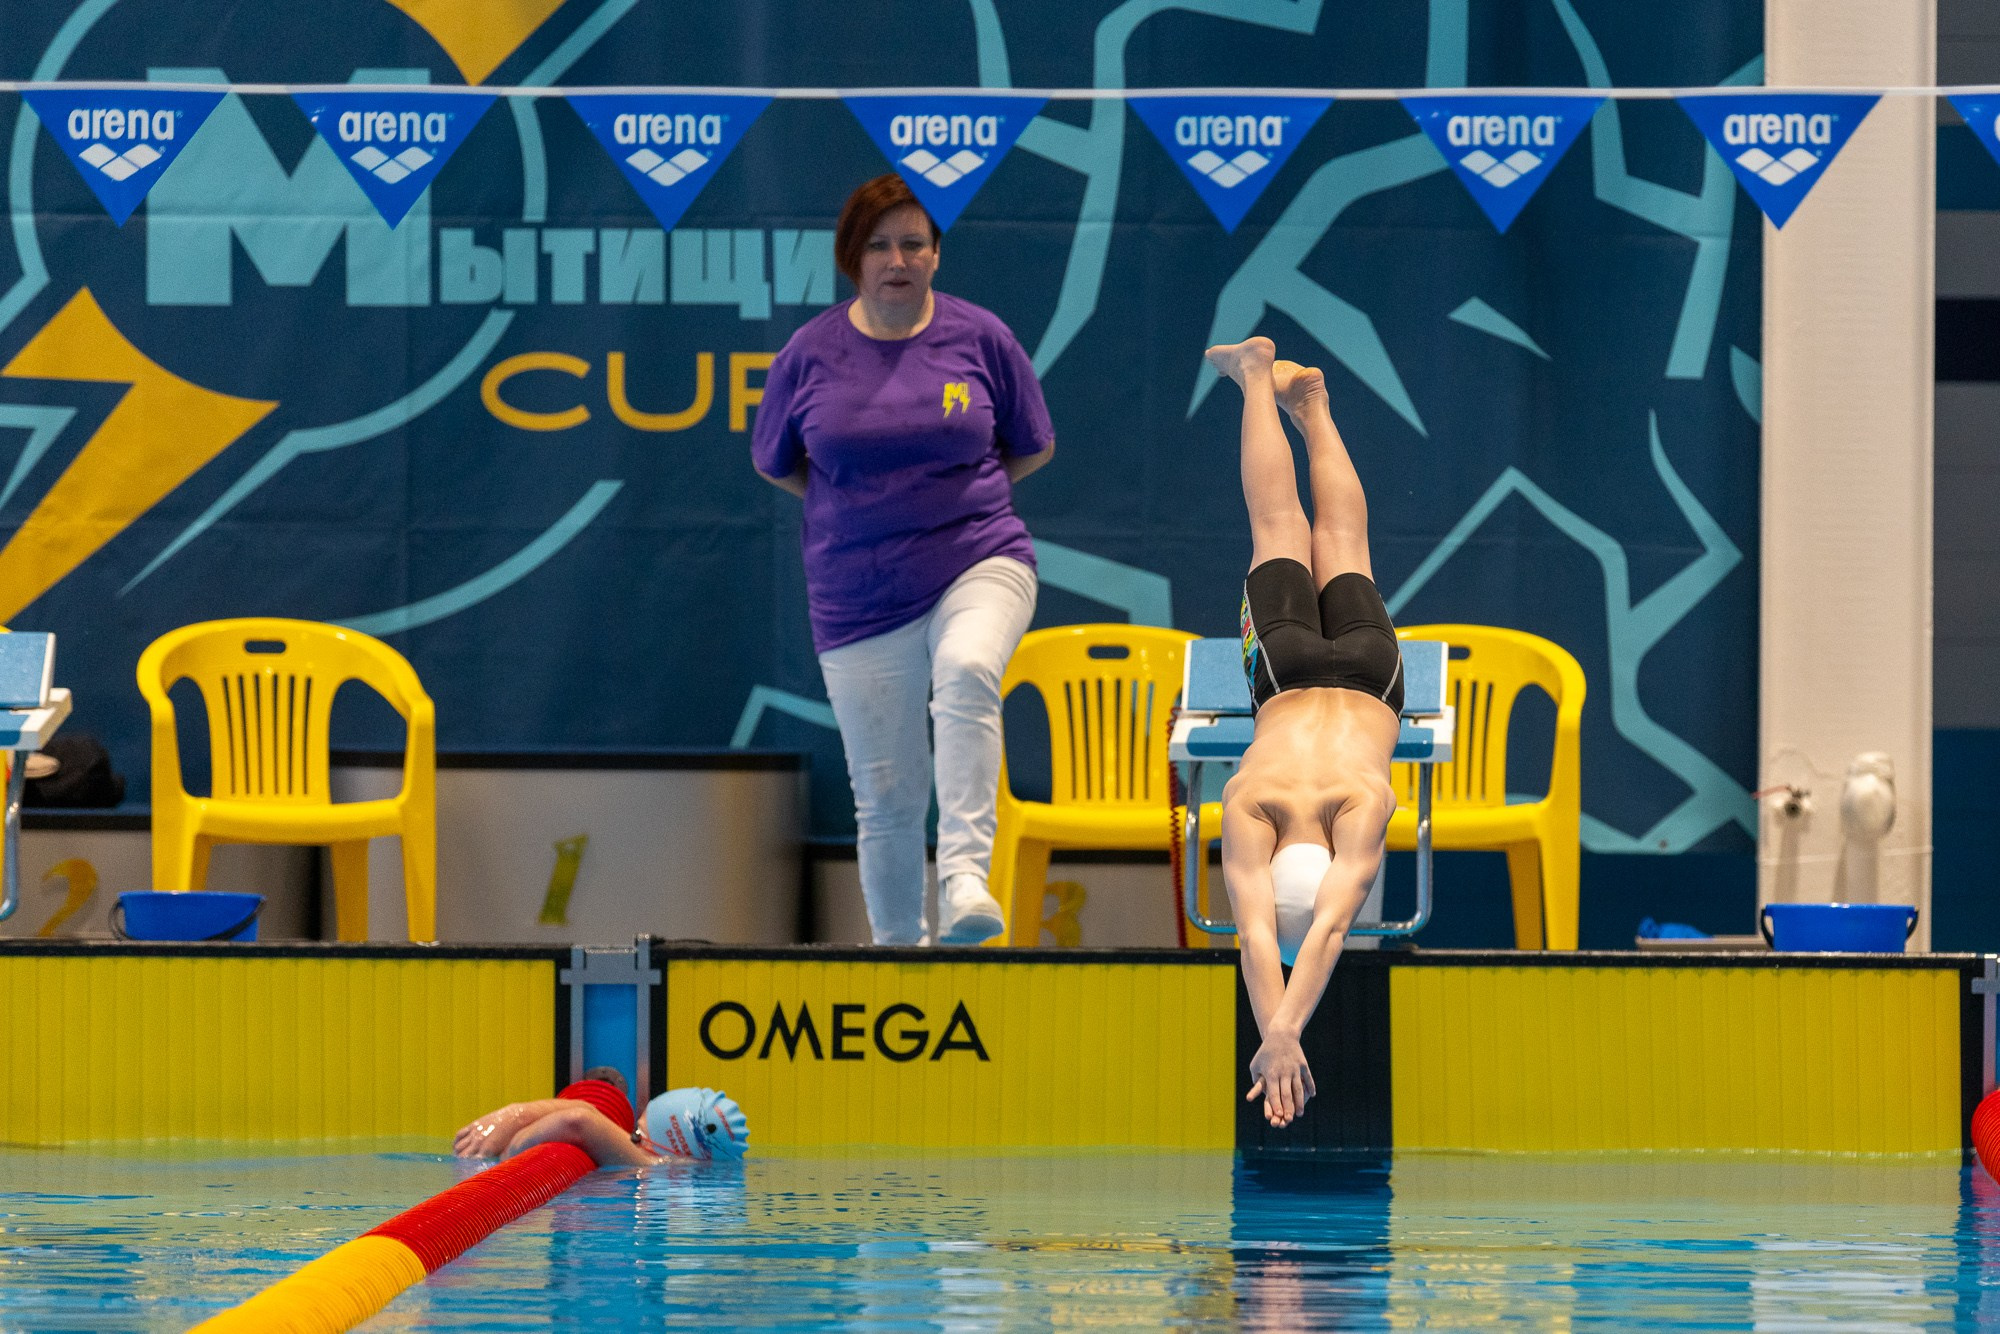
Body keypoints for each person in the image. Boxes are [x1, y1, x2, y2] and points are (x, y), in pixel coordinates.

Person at [751, 173, 1055, 947]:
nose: (897, 259)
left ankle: (963, 879)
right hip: (858, 593)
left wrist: (948, 503)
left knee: (965, 668)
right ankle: (896, 950)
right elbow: (776, 463)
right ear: (853, 258)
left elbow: (1032, 445)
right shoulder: (809, 354)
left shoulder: (982, 337)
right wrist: (860, 508)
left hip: (979, 559)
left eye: (913, 243)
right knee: (885, 795)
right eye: (879, 245)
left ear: (936, 255)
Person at [1205, 336, 1402, 1131]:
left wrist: (1285, 1029)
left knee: (1347, 545)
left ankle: (1314, 407)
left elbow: (1325, 927)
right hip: (1282, 676)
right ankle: (1257, 375)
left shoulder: (1369, 797)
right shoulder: (1246, 799)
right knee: (1278, 525)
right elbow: (1260, 933)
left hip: (1372, 673)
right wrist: (1275, 1030)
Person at [452, 1068, 748, 1167]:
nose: (628, 1135)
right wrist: (514, 1113)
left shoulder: (647, 1163)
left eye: (636, 1133)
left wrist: (509, 1147)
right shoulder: (668, 1165)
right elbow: (589, 1113)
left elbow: (580, 1120)